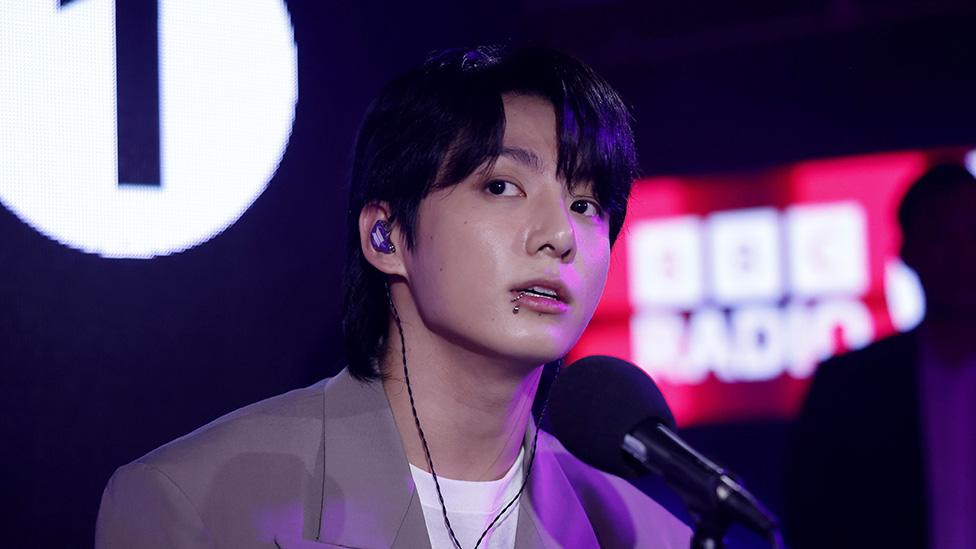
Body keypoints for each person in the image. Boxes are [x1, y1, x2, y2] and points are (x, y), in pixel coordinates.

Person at [95, 45, 691, 548]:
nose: (560, 236)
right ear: (386, 236)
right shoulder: (194, 504)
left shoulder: (649, 536)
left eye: (586, 205)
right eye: (502, 186)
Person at [783, 164, 976, 549]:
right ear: (908, 251)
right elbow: (812, 521)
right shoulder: (847, 388)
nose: (960, 253)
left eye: (972, 233)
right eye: (940, 235)